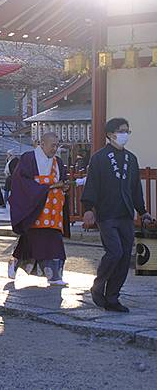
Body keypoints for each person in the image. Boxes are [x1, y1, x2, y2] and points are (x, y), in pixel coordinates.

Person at [82, 118, 152, 312]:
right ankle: (98, 286)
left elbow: (136, 189)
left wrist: (143, 211)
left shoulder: (131, 158)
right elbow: (92, 185)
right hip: (107, 214)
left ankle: (112, 297)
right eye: (122, 131)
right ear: (111, 134)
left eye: (128, 131)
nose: (126, 134)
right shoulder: (98, 158)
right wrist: (88, 208)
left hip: (126, 214)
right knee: (115, 252)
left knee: (124, 257)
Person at [8, 132, 70, 286]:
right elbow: (21, 181)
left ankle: (53, 274)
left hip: (53, 209)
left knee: (51, 240)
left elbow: (62, 180)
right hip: (34, 207)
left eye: (57, 145)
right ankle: (19, 263)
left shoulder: (58, 162)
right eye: (52, 145)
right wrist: (48, 187)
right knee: (35, 239)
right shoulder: (29, 158)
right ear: (42, 143)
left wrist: (64, 187)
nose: (54, 149)